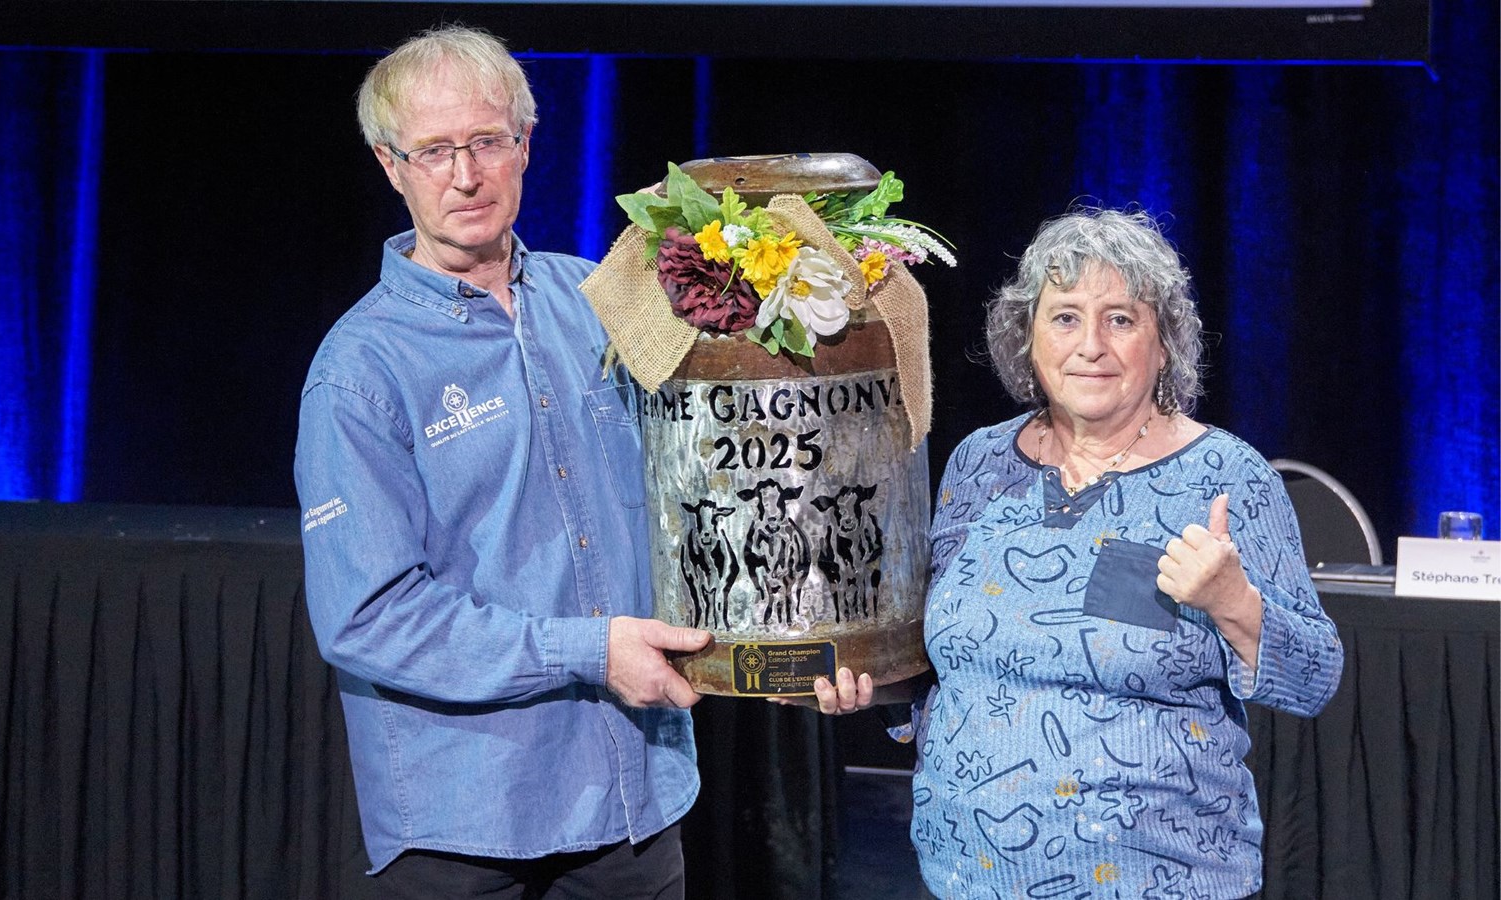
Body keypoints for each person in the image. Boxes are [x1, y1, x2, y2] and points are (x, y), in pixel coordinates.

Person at [808, 207, 1342, 899]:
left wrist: (1233, 603)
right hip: (966, 876)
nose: (1091, 344)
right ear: (1026, 338)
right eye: (1064, 317)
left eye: (1121, 319)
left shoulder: (1228, 478)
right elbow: (951, 662)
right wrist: (871, 686)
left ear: (1165, 344)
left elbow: (1316, 677)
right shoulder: (980, 463)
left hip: (1156, 880)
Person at [293, 25, 711, 898]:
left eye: (486, 141)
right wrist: (588, 651)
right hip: (466, 821)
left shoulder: (599, 302)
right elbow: (368, 615)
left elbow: (701, 488)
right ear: (390, 165)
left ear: (525, 144)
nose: (465, 174)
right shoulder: (357, 371)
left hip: (633, 797)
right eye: (435, 150)